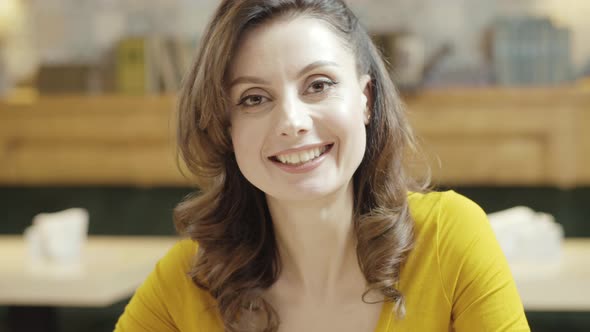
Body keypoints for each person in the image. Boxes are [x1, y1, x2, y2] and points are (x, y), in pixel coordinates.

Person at [115, 0, 530, 331]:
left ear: (365, 99)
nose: (292, 123)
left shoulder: (450, 240)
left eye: (318, 85)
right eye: (254, 98)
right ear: (226, 126)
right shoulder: (187, 282)